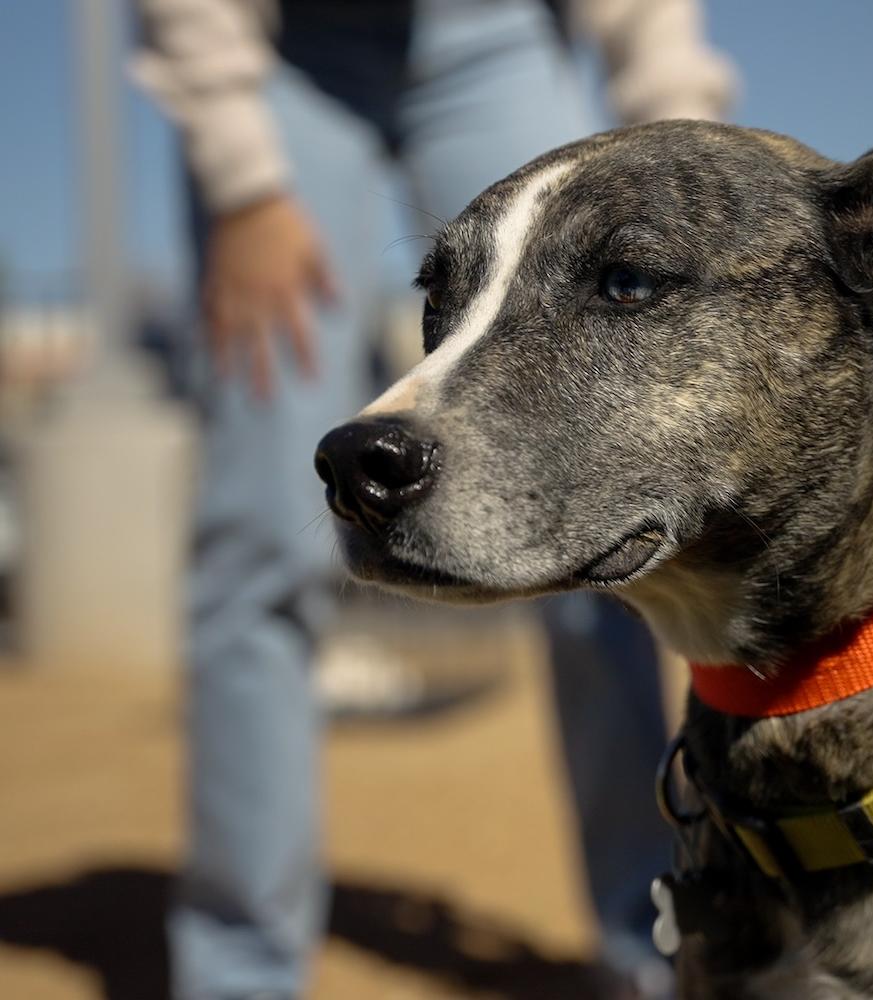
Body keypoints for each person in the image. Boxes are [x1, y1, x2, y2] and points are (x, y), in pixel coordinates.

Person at [129, 2, 736, 997]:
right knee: (258, 533)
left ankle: (652, 945)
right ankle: (237, 970)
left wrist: (685, 130)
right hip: (282, 53)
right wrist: (241, 184)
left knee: (598, 519)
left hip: (497, 34)